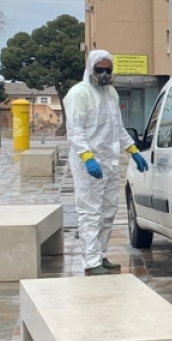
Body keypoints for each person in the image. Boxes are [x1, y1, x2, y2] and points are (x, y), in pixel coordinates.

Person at [64, 50, 149, 276]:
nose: (103, 74)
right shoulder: (79, 94)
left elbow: (117, 127)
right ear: (90, 68)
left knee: (108, 211)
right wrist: (87, 157)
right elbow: (75, 131)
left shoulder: (111, 93)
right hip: (88, 164)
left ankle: (101, 255)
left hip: (110, 161)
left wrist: (133, 151)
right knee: (90, 212)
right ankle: (91, 262)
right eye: (99, 70)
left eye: (108, 70)